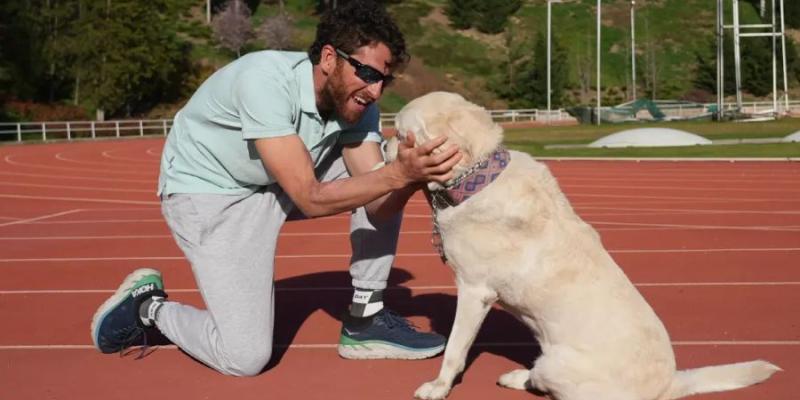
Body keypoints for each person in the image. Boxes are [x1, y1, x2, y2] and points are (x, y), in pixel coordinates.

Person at [90, 0, 461, 377]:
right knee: (245, 359)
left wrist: (408, 176)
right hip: (212, 194)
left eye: (384, 78)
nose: (376, 90)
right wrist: (397, 175)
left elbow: (379, 203)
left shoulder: (359, 105)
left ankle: (366, 318)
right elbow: (309, 198)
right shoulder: (264, 80)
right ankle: (148, 308)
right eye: (366, 72)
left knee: (383, 171)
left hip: (277, 177)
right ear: (330, 58)